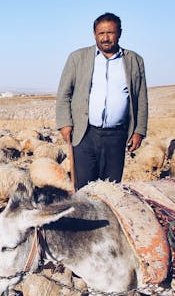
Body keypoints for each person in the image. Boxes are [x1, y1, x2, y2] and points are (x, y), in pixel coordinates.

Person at [56, 13, 148, 189]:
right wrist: (64, 124)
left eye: (110, 33)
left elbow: (141, 98)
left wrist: (139, 130)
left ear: (119, 33)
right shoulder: (77, 58)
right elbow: (64, 93)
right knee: (84, 189)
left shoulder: (134, 60)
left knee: (111, 189)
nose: (106, 38)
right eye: (101, 33)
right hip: (85, 134)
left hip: (117, 136)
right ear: (94, 34)